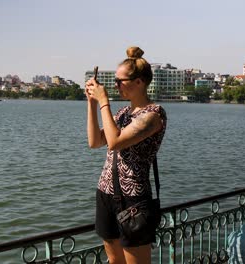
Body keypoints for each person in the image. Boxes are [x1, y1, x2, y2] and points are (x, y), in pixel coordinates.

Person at [85, 46, 167, 264]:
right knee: (114, 261)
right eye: (114, 80)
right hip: (105, 193)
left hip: (134, 199)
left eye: (120, 81)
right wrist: (92, 105)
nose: (115, 85)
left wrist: (104, 101)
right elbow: (95, 142)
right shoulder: (123, 114)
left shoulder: (154, 114)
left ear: (139, 82)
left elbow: (114, 142)